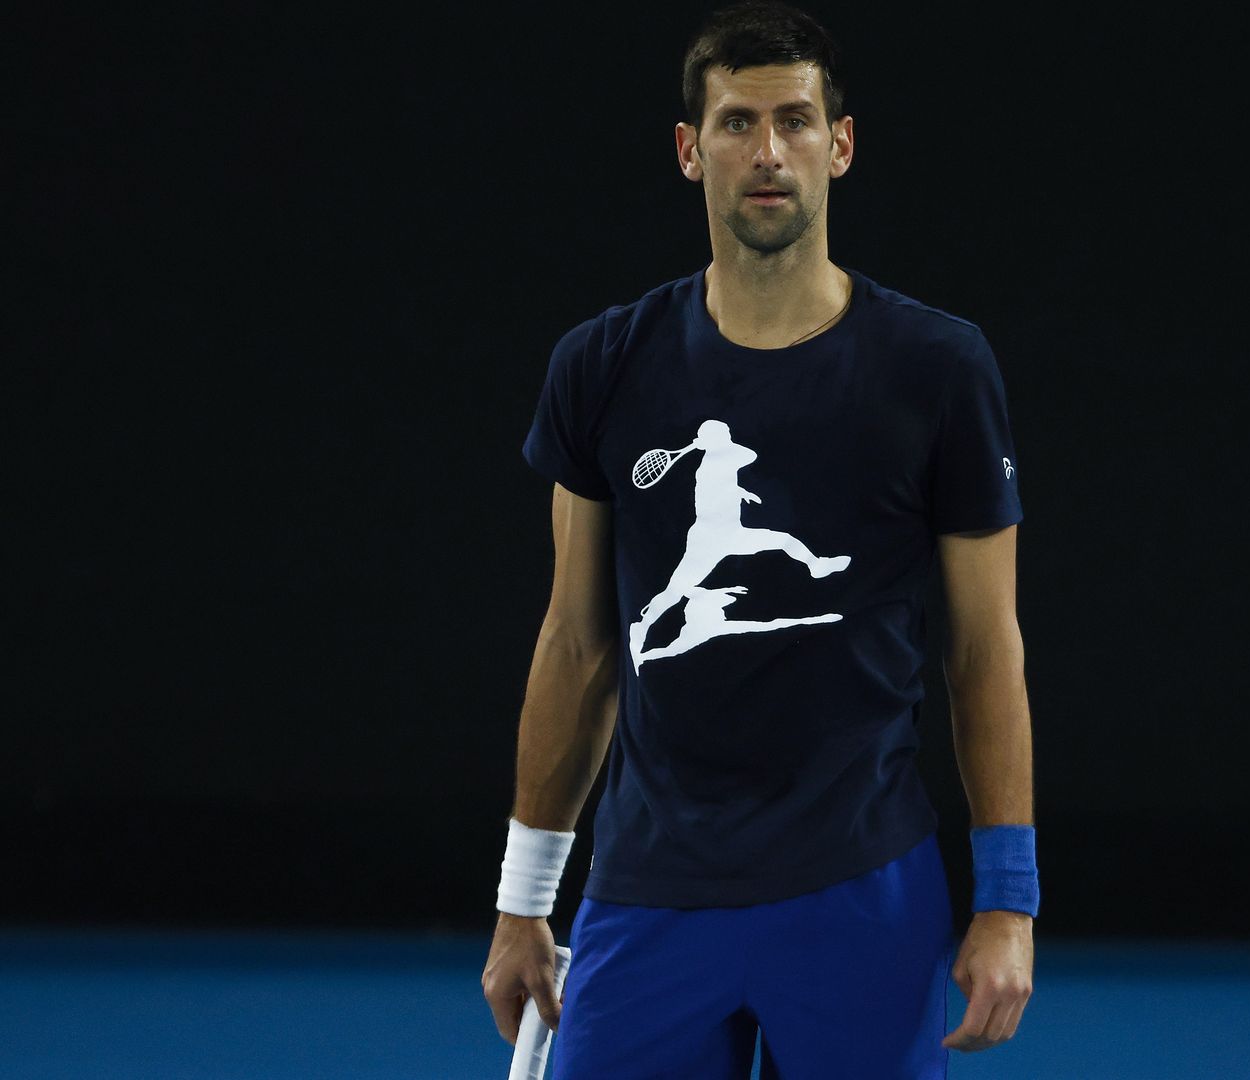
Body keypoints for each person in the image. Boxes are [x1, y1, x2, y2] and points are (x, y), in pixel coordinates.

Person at [482, 2, 1036, 1074]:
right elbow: (578, 645)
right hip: (648, 893)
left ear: (841, 143)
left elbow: (984, 648)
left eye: (795, 120)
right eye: (737, 123)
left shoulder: (938, 370)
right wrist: (522, 900)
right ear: (691, 151)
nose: (768, 151)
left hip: (864, 893)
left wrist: (1009, 900)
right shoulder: (602, 366)